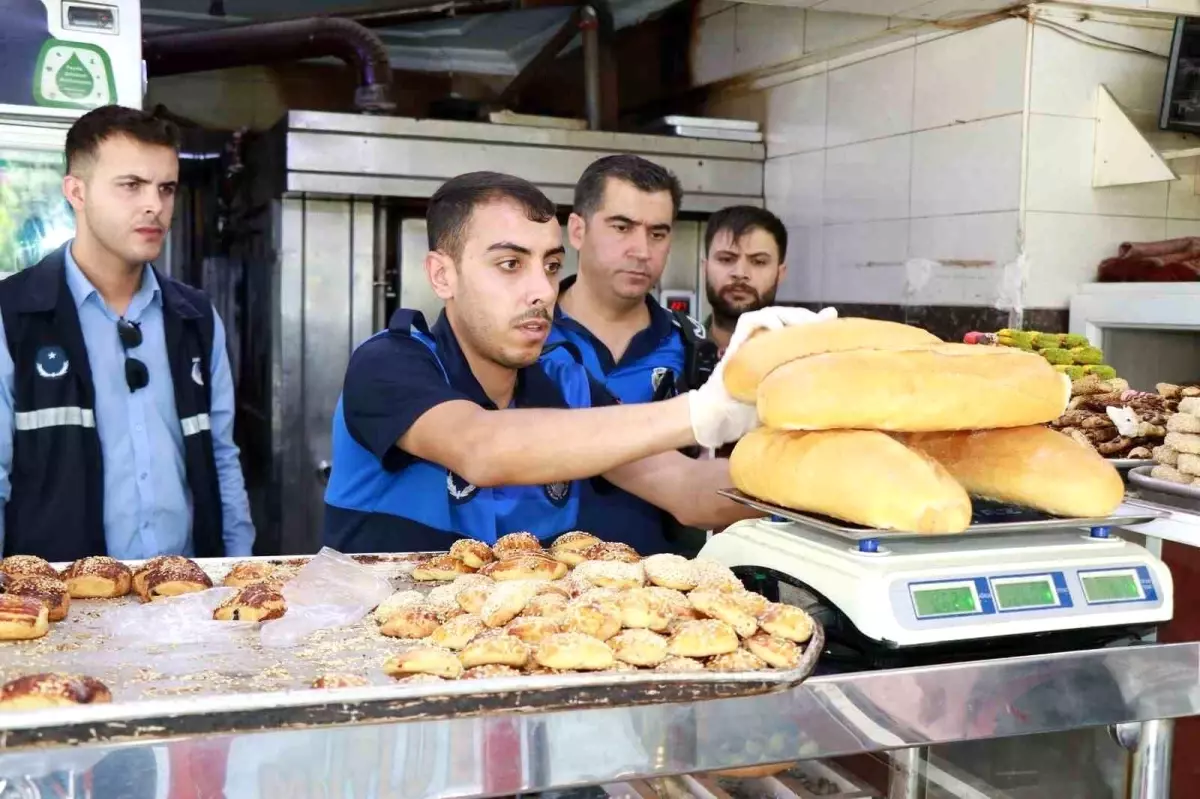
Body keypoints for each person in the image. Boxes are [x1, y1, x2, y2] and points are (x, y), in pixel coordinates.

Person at [323, 171, 825, 553]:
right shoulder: (391, 363)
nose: (542, 290)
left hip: (527, 666)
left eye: (551, 266)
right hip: (381, 668)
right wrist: (701, 413)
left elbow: (688, 491)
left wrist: (823, 469)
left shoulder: (565, 380)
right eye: (509, 264)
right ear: (442, 275)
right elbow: (482, 449)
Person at [0, 104, 255, 562]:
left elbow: (222, 459)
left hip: (182, 596)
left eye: (166, 188)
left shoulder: (195, 318)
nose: (154, 205)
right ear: (76, 191)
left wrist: (237, 570)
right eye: (131, 186)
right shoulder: (14, 316)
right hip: (61, 611)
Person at [542, 155, 718, 555]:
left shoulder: (691, 346)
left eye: (658, 233)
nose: (641, 250)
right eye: (622, 227)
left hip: (658, 594)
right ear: (577, 229)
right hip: (536, 585)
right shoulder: (527, 337)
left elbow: (702, 480)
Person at [702, 205, 790, 356]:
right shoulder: (673, 356)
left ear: (780, 274)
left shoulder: (805, 362)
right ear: (705, 268)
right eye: (726, 259)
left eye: (759, 262)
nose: (740, 273)